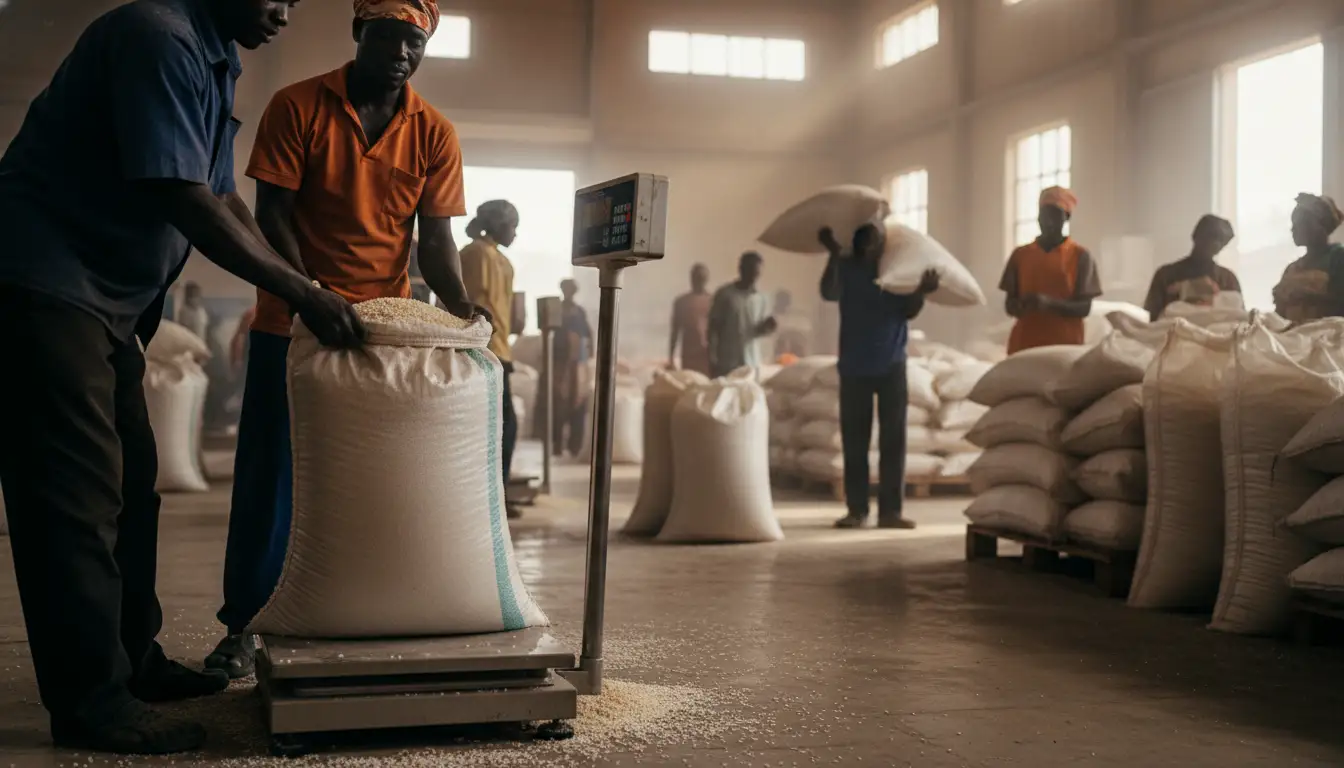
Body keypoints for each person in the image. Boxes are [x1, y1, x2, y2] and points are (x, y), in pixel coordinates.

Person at [0, 0, 366, 755]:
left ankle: (134, 664)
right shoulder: (154, 37)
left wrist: (306, 285)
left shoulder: (214, 59)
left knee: (134, 486)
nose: (284, 12)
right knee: (77, 501)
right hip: (46, 285)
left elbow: (226, 197)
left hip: (106, 300)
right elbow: (183, 197)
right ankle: (89, 703)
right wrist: (303, 295)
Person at [205, 0, 475, 682]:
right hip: (290, 323)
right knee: (272, 477)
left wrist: (467, 310)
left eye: (414, 43)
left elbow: (437, 244)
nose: (400, 55)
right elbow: (273, 214)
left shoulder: (434, 132)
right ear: (359, 34)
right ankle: (243, 626)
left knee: (378, 480)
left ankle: (364, 616)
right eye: (387, 39)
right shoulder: (298, 106)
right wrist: (308, 294)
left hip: (383, 334)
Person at [820, 224, 938, 530]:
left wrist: (922, 292)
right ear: (857, 245)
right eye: (865, 243)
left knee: (893, 441)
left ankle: (890, 512)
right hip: (855, 366)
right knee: (855, 442)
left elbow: (908, 311)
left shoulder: (896, 271)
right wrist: (833, 255)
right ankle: (856, 510)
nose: (870, 248)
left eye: (875, 243)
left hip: (891, 365)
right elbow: (828, 292)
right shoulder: (846, 268)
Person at [461, 200, 524, 513]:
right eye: (512, 225)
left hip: (496, 348)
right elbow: (466, 302)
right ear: (498, 224)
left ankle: (496, 494)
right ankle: (489, 497)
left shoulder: (495, 258)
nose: (514, 233)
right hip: (481, 347)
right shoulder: (477, 254)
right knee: (495, 426)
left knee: (501, 425)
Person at [1000, 186, 1102, 354]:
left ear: (1066, 217)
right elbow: (1009, 305)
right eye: (1044, 215)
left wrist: (1048, 304)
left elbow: (1084, 308)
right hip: (1023, 345)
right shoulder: (1020, 255)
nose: (1048, 221)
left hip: (1064, 348)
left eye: (1054, 215)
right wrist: (1022, 305)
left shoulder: (1081, 256)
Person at [1143, 215, 1240, 320]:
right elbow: (1151, 320)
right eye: (1212, 236)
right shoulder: (1165, 276)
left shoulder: (1228, 279)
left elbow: (1237, 320)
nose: (1216, 243)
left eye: (1222, 240)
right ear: (1196, 235)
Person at [1272, 193, 1344, 324]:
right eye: (1293, 223)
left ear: (1322, 225)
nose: (1293, 229)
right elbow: (1279, 315)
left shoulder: (1338, 258)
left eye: (1302, 223)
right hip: (1295, 337)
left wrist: (1307, 297)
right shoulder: (1292, 269)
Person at [707, 251, 775, 378]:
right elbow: (713, 328)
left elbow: (756, 331)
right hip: (727, 363)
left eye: (756, 274)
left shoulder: (761, 298)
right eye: (750, 272)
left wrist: (767, 328)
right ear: (741, 270)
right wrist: (712, 357)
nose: (753, 277)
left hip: (751, 363)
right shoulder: (725, 295)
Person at [554, 279, 593, 457]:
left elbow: (589, 337)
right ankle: (557, 444)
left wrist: (586, 361)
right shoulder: (557, 310)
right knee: (558, 403)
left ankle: (574, 446)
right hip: (560, 364)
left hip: (577, 364)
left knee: (577, 402)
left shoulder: (579, 312)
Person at [668, 263, 712, 375]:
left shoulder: (713, 301)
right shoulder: (681, 302)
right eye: (697, 277)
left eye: (701, 278)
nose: (699, 281)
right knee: (691, 385)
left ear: (706, 279)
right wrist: (671, 358)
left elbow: (719, 331)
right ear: (691, 279)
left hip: (707, 354)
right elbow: (675, 331)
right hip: (689, 354)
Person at [772, 288, 813, 359]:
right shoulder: (772, 317)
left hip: (797, 355)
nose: (783, 305)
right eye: (781, 302)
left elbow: (807, 329)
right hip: (779, 356)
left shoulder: (798, 317)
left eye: (785, 302)